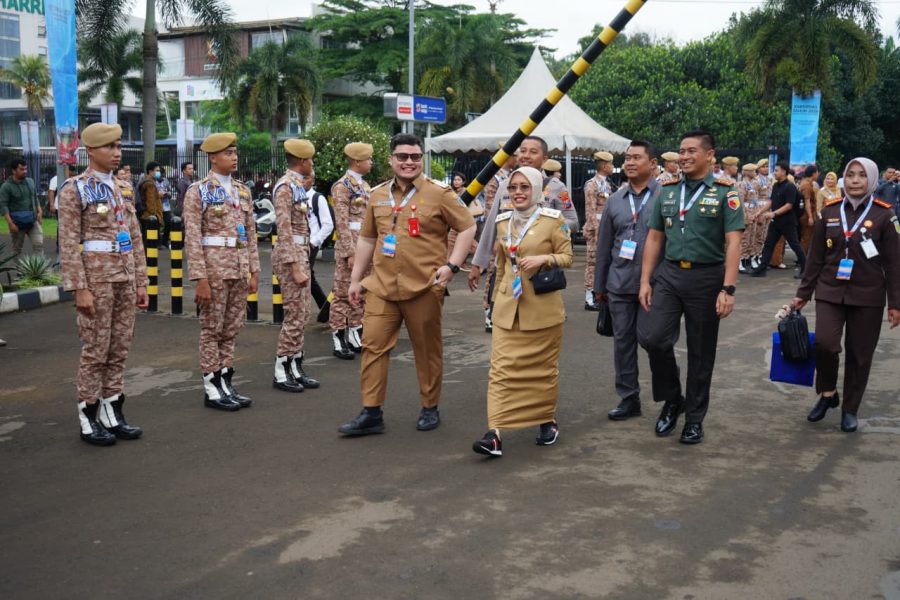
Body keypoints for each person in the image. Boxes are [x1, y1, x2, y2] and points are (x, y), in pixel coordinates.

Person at [337, 133, 476, 436]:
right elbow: (367, 238)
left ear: (421, 159)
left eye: (414, 156)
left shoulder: (439, 194)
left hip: (423, 286)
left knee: (426, 350)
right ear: (391, 160)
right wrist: (356, 278)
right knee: (372, 347)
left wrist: (452, 266)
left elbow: (467, 226)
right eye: (402, 156)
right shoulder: (376, 194)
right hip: (382, 286)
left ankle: (429, 407)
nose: (408, 162)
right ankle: (371, 412)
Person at [638, 130, 743, 444]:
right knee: (654, 338)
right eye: (681, 151)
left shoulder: (726, 191)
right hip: (670, 275)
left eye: (691, 151)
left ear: (709, 154)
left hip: (707, 278)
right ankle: (673, 399)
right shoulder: (667, 190)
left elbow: (734, 242)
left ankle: (694, 419)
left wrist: (729, 289)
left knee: (701, 351)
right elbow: (655, 237)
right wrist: (645, 280)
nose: (683, 157)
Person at [792, 157, 900, 432]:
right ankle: (828, 393)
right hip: (830, 290)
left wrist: (895, 303)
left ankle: (850, 409)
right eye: (850, 175)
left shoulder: (884, 215)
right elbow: (815, 258)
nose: (854, 180)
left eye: (861, 176)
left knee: (860, 354)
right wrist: (803, 294)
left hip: (868, 295)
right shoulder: (829, 212)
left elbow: (893, 262)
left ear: (872, 180)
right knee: (825, 344)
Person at [471, 166, 572, 457]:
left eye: (524, 187)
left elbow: (567, 257)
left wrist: (544, 258)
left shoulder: (554, 221)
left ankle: (546, 421)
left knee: (542, 370)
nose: (518, 192)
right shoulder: (503, 222)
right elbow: (502, 265)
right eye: (513, 187)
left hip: (542, 308)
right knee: (500, 370)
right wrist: (495, 298)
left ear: (537, 190)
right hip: (507, 306)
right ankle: (494, 434)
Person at [58, 123, 149, 446]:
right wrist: (79, 287)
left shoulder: (123, 187)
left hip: (125, 277)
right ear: (91, 151)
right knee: (96, 349)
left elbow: (135, 237)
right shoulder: (75, 189)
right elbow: (68, 243)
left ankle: (113, 411)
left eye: (119, 145)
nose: (117, 152)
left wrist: (141, 280)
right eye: (109, 147)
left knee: (119, 347)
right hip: (96, 280)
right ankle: (88, 414)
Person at [183, 132, 261, 411]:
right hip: (214, 271)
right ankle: (211, 386)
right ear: (212, 157)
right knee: (211, 330)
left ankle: (226, 381)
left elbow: (250, 233)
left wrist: (254, 269)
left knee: (231, 329)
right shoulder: (199, 191)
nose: (234, 157)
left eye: (235, 152)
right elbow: (192, 237)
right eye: (228, 153)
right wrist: (200, 279)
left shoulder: (242, 190)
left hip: (239, 268)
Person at [593, 141, 662, 421]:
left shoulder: (665, 196)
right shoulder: (615, 200)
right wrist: (599, 287)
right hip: (619, 283)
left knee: (656, 342)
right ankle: (628, 397)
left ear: (652, 163)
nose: (630, 162)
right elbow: (604, 246)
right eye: (627, 157)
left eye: (637, 157)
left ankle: (669, 397)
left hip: (656, 286)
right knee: (623, 342)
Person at [469, 136, 578, 292]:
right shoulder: (505, 185)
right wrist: (477, 264)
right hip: (506, 266)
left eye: (533, 152)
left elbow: (573, 222)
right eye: (523, 151)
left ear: (545, 159)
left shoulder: (556, 187)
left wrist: (550, 228)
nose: (526, 155)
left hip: (539, 270)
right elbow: (490, 227)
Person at [270, 139, 321, 393]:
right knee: (293, 313)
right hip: (291, 256)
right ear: (302, 161)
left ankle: (296, 365)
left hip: (301, 252)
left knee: (303, 314)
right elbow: (285, 229)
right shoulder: (285, 187)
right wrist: (295, 267)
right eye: (310, 160)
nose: (312, 164)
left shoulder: (297, 185)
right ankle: (281, 370)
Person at [330, 142, 374, 359]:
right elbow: (342, 222)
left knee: (362, 290)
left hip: (365, 247)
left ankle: (356, 331)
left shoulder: (365, 187)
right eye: (368, 159)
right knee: (341, 293)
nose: (371, 162)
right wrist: (349, 252)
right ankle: (338, 336)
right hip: (351, 247)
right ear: (357, 161)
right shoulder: (342, 186)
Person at [751, 161, 807, 279]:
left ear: (784, 172)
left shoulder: (790, 186)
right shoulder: (776, 185)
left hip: (788, 222)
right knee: (769, 244)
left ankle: (805, 269)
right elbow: (771, 201)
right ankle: (762, 269)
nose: (774, 173)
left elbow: (789, 205)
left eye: (776, 170)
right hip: (776, 222)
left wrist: (773, 213)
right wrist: (760, 212)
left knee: (795, 245)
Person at [582, 151, 615, 310]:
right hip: (596, 231)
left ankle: (598, 294)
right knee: (592, 263)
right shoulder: (592, 184)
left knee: (603, 262)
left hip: (605, 229)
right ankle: (589, 297)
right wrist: (596, 233)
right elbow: (590, 211)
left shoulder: (607, 184)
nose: (612, 167)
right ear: (603, 165)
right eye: (610, 164)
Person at [1, 158, 43, 257]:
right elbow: (3, 206)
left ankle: (37, 271)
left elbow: (34, 197)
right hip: (17, 224)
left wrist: (39, 211)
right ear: (14, 170)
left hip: (33, 221)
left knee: (39, 245)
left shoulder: (30, 182)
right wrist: (10, 223)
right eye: (22, 169)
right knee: (17, 250)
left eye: (25, 169)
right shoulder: (6, 187)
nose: (25, 171)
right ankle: (19, 271)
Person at [305, 171, 333, 311]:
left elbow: (328, 224)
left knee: (305, 275)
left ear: (313, 180)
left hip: (311, 243)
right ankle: (325, 308)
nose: (303, 180)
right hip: (296, 244)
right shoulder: (293, 196)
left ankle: (325, 308)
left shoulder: (317, 198)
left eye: (307, 178)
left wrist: (314, 242)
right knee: (308, 276)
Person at [737, 163, 764, 273]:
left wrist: (758, 213)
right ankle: (740, 261)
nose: (755, 173)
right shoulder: (741, 184)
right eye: (752, 171)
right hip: (746, 213)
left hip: (754, 213)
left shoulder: (754, 184)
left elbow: (756, 199)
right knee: (744, 238)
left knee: (752, 238)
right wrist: (746, 216)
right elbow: (741, 201)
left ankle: (748, 258)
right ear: (747, 172)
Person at [138, 162, 164, 241]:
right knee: (150, 242)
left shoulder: (144, 181)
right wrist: (155, 216)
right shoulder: (150, 184)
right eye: (157, 170)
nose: (159, 173)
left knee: (146, 240)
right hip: (150, 216)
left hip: (144, 215)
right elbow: (151, 202)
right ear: (150, 171)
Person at [798, 164, 820, 252]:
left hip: (807, 213)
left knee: (807, 236)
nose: (818, 174)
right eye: (817, 172)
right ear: (813, 173)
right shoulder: (806, 185)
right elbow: (807, 202)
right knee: (806, 236)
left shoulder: (807, 183)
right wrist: (810, 217)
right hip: (806, 214)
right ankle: (803, 258)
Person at [157, 165, 174, 248]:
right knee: (157, 224)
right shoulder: (153, 181)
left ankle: (165, 240)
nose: (162, 177)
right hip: (157, 206)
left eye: (163, 175)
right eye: (161, 175)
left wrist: (168, 194)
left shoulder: (166, 181)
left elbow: (170, 190)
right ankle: (158, 242)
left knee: (168, 222)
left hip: (166, 206)